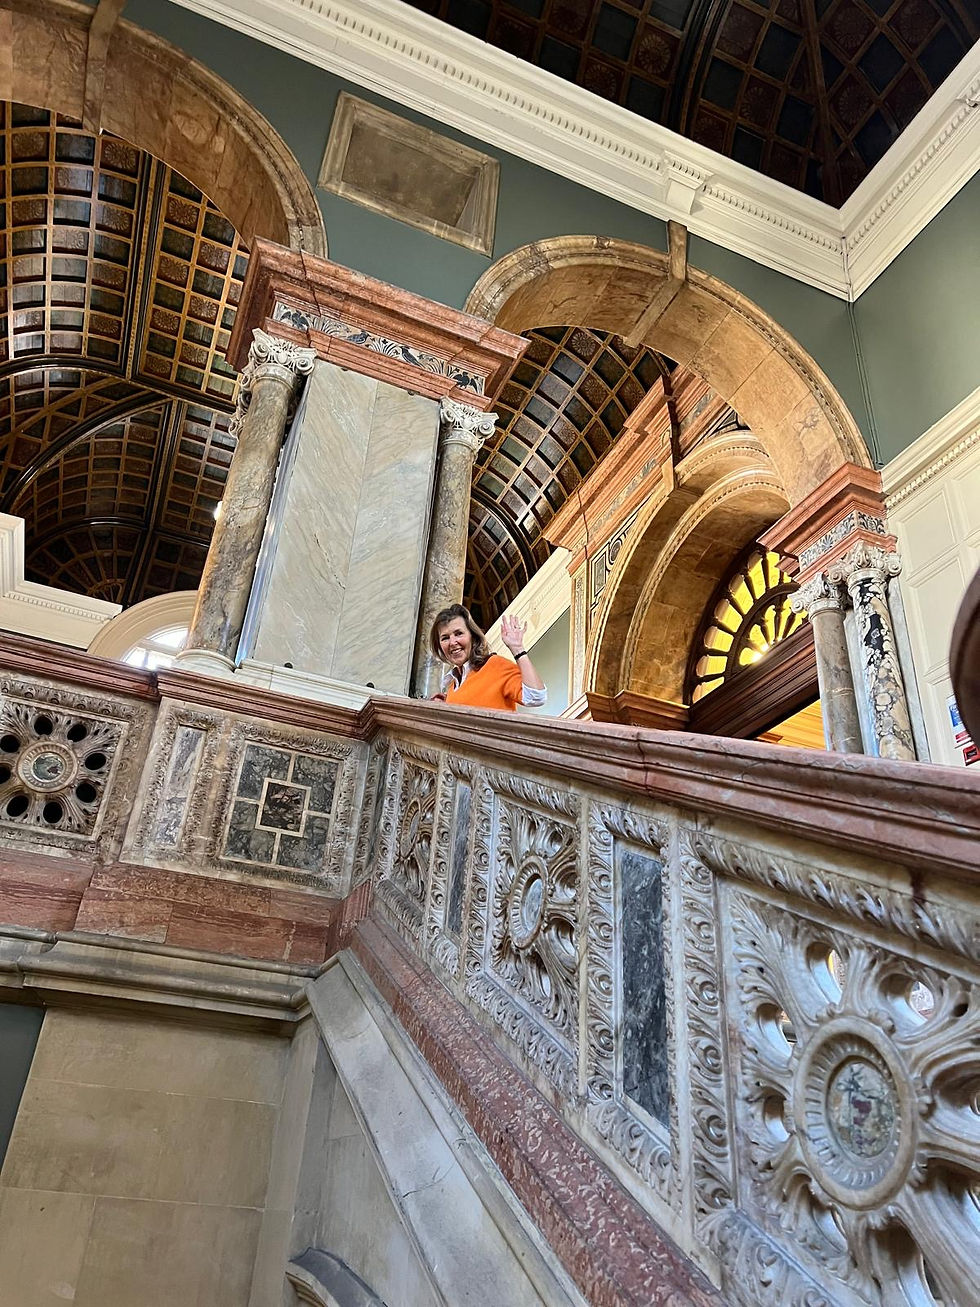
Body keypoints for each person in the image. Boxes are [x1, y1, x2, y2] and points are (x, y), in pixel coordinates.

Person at [429, 604, 547, 712]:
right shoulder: (451, 687)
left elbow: (535, 697)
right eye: (445, 638)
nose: (452, 642)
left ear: (473, 637)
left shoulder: (495, 665)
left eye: (458, 633)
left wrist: (518, 649)